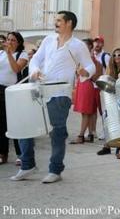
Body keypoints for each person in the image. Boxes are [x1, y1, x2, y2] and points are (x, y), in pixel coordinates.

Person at [10, 11, 95, 183]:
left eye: (58, 20)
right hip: (38, 89)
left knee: (57, 132)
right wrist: (34, 71)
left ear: (69, 23)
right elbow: (36, 60)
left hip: (60, 92)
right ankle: (27, 165)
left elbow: (90, 65)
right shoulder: (49, 40)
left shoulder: (78, 45)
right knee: (25, 125)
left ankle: (55, 170)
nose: (55, 23)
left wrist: (84, 72)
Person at [0, 31, 28, 165]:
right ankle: (2, 153)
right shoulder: (0, 53)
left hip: (12, 91)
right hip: (0, 89)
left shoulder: (22, 55)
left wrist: (9, 54)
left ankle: (20, 153)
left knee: (14, 123)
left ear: (19, 43)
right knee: (1, 124)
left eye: (13, 40)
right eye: (8, 40)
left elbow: (16, 69)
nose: (9, 42)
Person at [70, 38, 103, 144]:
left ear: (89, 46)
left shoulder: (90, 58)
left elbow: (90, 73)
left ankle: (81, 135)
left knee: (86, 111)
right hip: (83, 83)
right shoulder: (85, 57)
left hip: (88, 84)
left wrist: (81, 71)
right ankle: (90, 133)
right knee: (89, 111)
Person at [97, 48, 120, 158]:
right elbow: (106, 81)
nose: (117, 57)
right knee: (108, 120)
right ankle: (108, 145)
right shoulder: (111, 67)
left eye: (119, 55)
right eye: (114, 55)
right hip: (112, 96)